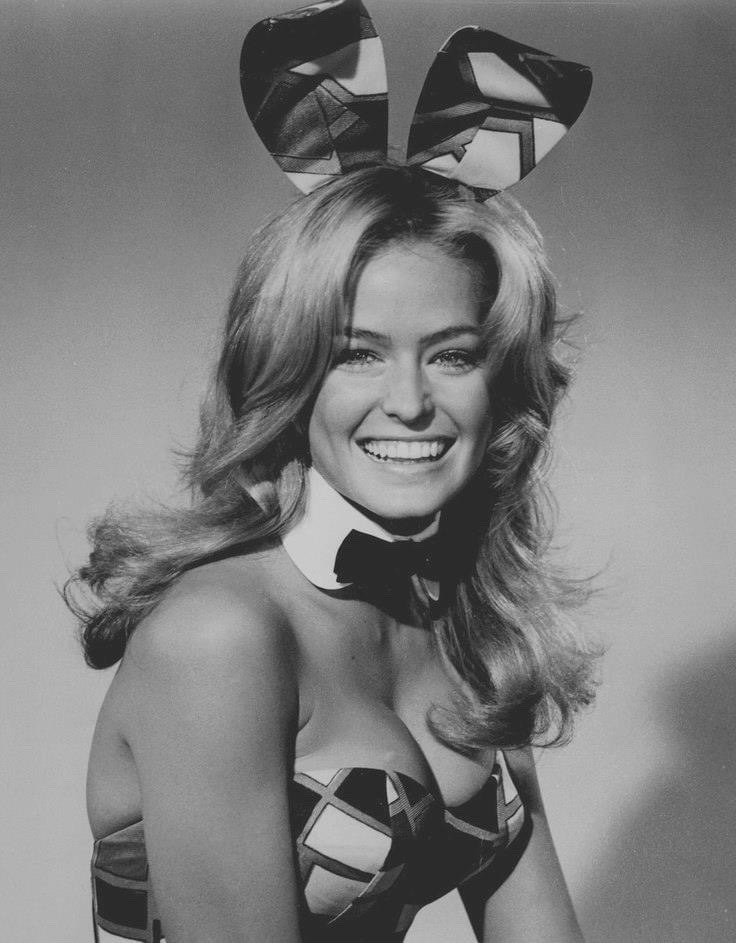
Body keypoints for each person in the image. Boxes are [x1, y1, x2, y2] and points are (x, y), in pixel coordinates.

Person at [68, 5, 597, 942]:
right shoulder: (218, 637)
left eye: (452, 354)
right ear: (288, 377)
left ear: (499, 381)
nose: (410, 402)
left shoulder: (459, 616)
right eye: (357, 353)